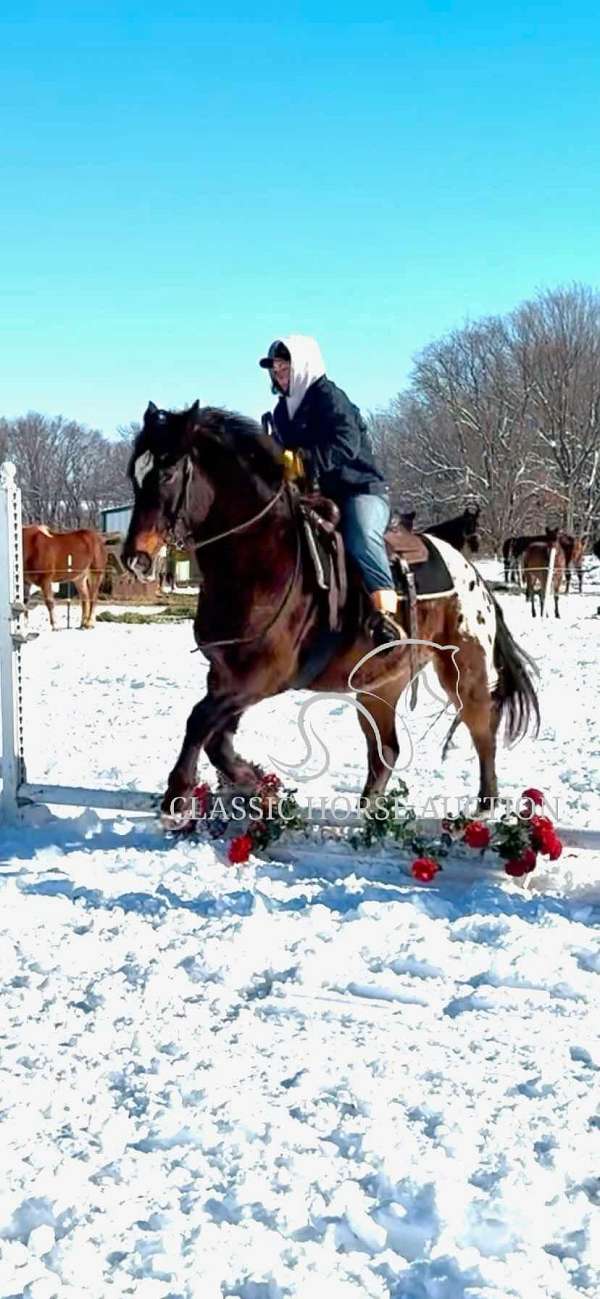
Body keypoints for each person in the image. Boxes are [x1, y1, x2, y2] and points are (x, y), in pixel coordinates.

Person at [259, 334, 404, 648]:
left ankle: (386, 613)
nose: (279, 375)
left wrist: (304, 460)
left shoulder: (329, 396)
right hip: (317, 495)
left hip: (360, 489)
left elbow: (346, 443)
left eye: (285, 368)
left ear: (303, 366)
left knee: (360, 535)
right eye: (275, 370)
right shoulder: (282, 411)